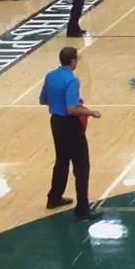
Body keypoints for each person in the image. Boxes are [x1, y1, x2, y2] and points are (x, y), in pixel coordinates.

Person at [39, 46, 102, 222]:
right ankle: (82, 210)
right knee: (81, 166)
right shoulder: (72, 80)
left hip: (56, 122)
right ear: (73, 61)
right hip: (71, 125)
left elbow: (43, 100)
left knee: (61, 161)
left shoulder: (50, 76)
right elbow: (72, 109)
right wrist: (90, 112)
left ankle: (54, 198)